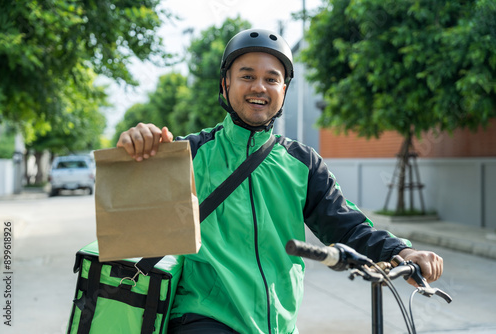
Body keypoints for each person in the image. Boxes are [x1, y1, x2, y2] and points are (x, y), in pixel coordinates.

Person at [117, 29, 443, 334]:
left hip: (278, 325)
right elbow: (130, 213)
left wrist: (402, 251)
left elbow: (348, 227)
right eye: (247, 76)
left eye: (271, 79)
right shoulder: (189, 153)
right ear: (225, 84)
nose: (259, 87)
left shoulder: (302, 163)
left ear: (283, 90)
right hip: (203, 317)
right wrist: (136, 147)